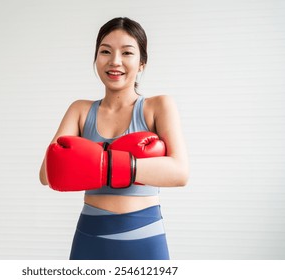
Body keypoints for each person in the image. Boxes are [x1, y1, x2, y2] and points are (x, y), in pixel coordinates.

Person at [39, 17, 189, 260]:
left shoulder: (157, 106)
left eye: (127, 52)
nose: (115, 61)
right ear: (96, 58)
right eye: (105, 51)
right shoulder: (80, 110)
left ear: (142, 63)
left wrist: (102, 162)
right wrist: (125, 163)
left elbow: (180, 172)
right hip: (90, 237)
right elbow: (47, 175)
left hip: (146, 238)